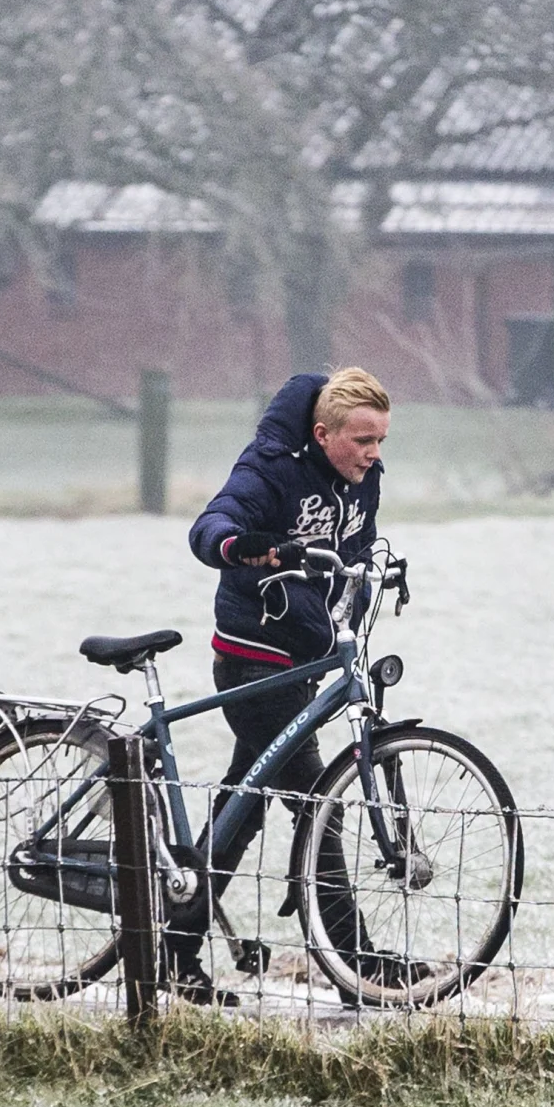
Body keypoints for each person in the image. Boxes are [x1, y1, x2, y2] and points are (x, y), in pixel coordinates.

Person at [183, 368, 390, 965]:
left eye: (381, 440)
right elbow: (213, 524)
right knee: (320, 803)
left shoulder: (362, 480)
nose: (374, 454)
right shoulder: (270, 466)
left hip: (303, 661)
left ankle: (174, 947)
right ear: (323, 434)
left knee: (241, 807)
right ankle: (356, 960)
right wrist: (238, 545)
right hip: (252, 660)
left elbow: (358, 547)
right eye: (362, 440)